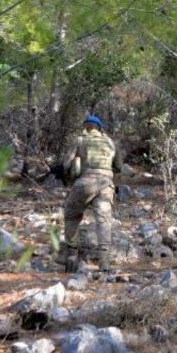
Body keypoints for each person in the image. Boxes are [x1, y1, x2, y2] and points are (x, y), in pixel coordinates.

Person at [56, 115, 122, 272]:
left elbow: (66, 164)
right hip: (106, 185)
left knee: (71, 215)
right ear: (100, 128)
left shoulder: (80, 140)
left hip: (84, 183)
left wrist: (69, 176)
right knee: (104, 221)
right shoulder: (111, 143)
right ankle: (104, 263)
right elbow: (119, 167)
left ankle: (71, 257)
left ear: (86, 127)